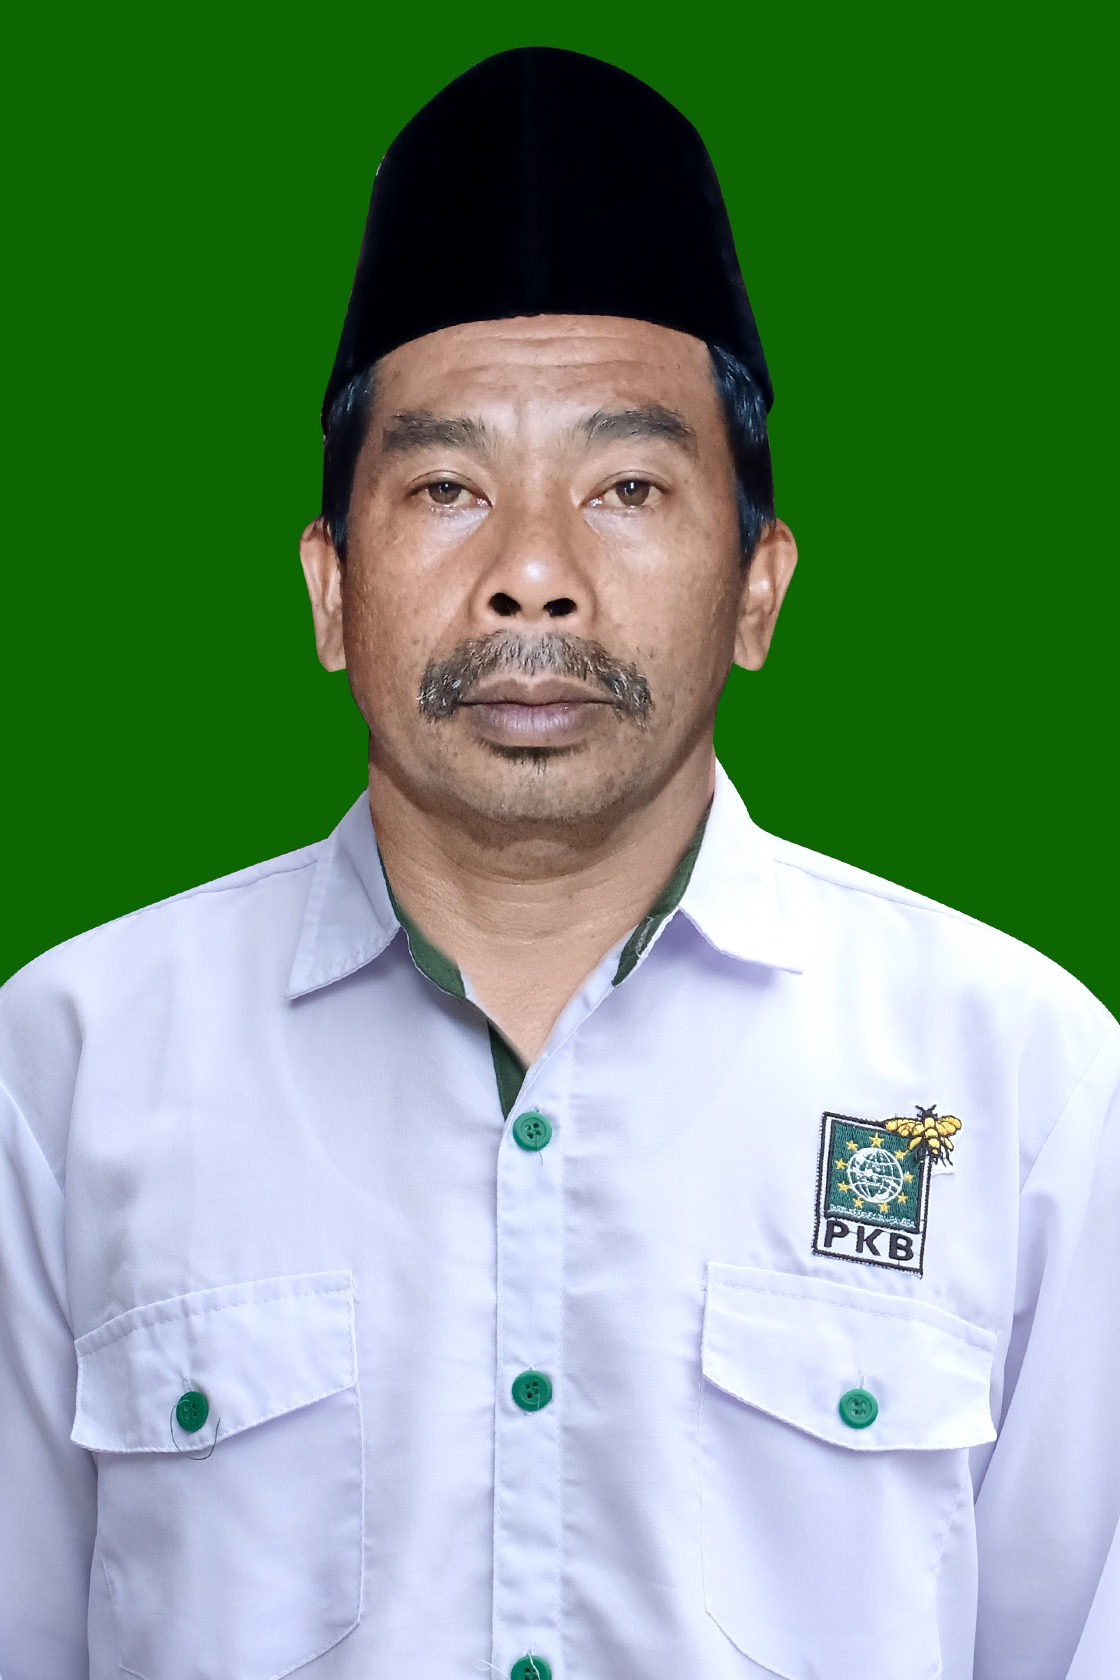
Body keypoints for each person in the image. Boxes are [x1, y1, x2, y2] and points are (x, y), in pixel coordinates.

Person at [0, 44, 1116, 1680]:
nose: (535, 573)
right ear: (329, 588)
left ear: (759, 588)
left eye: (629, 486)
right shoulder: (68, 1065)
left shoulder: (1020, 1080)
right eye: (449, 485)